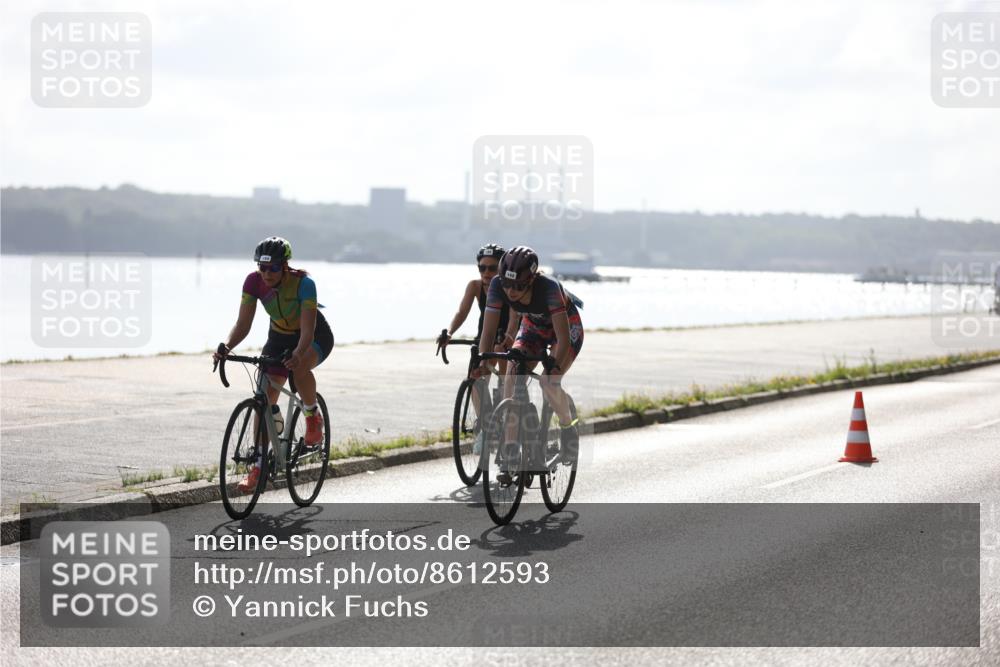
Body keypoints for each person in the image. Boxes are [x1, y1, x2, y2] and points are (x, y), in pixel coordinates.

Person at [213, 236, 334, 492]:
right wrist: (226, 346)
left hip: (313, 336)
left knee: (299, 368)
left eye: (273, 268)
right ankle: (258, 467)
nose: (266, 273)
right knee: (264, 401)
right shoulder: (253, 282)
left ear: (285, 266)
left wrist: (300, 353)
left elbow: (307, 332)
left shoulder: (304, 284)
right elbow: (243, 324)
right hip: (278, 338)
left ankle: (312, 416)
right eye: (262, 267)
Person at [476, 246, 584, 467]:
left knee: (548, 382)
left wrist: (553, 368)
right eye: (507, 284)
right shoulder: (497, 285)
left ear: (532, 279)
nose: (511, 291)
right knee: (512, 378)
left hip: (565, 330)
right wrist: (483, 360)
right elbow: (488, 332)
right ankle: (511, 447)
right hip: (533, 328)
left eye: (518, 286)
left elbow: (563, 338)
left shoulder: (549, 288)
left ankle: (567, 428)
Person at [437, 243, 517, 453]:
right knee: (476, 378)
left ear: (501, 268)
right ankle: (487, 424)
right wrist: (450, 332)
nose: (487, 273)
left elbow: (515, 318)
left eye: (492, 268)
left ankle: (508, 425)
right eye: (482, 268)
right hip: (486, 335)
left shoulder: (509, 286)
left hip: (507, 337)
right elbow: (462, 312)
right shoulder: (474, 286)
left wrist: (509, 337)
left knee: (505, 380)